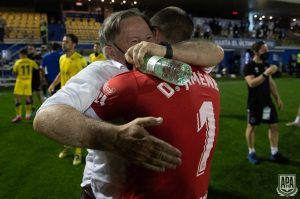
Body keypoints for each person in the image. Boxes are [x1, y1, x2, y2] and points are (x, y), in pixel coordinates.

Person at [33, 8, 224, 198]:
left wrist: (166, 50)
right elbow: (45, 116)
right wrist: (114, 137)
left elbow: (216, 52)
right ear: (111, 51)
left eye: (149, 38)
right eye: (135, 42)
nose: (145, 46)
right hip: (105, 194)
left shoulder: (166, 62)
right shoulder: (104, 71)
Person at [90, 6, 220, 198]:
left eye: (147, 37)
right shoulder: (208, 76)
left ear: (155, 34)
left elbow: (81, 121)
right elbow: (215, 52)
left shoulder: (129, 83)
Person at [244, 41, 288, 165]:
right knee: (251, 127)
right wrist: (266, 73)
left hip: (267, 103)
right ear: (255, 52)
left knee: (274, 126)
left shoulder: (265, 65)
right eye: (263, 50)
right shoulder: (249, 66)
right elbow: (251, 83)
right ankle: (251, 152)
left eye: (267, 50)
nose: (266, 52)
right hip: (255, 103)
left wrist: (278, 98)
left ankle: (274, 153)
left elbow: (270, 83)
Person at [48, 33, 87, 166]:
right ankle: (66, 147)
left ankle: (78, 152)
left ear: (74, 44)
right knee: (64, 124)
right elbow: (61, 73)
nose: (63, 43)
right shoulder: (61, 58)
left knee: (76, 125)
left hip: (77, 98)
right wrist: (53, 84)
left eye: (66, 42)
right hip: (64, 96)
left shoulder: (80, 60)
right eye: (63, 41)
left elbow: (85, 80)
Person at [11, 49, 39, 122]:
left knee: (17, 98)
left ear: (22, 54)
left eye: (20, 54)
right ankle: (28, 115)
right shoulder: (31, 62)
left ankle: (19, 116)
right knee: (28, 98)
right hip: (28, 81)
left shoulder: (18, 62)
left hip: (20, 81)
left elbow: (14, 72)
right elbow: (37, 68)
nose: (19, 56)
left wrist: (17, 74)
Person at [27, 44, 43, 115]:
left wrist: (42, 77)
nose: (30, 50)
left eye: (31, 48)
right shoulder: (27, 57)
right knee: (30, 94)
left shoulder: (38, 56)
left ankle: (43, 107)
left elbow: (41, 66)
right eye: (29, 49)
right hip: (29, 77)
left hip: (36, 77)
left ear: (34, 49)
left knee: (38, 93)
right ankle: (32, 108)